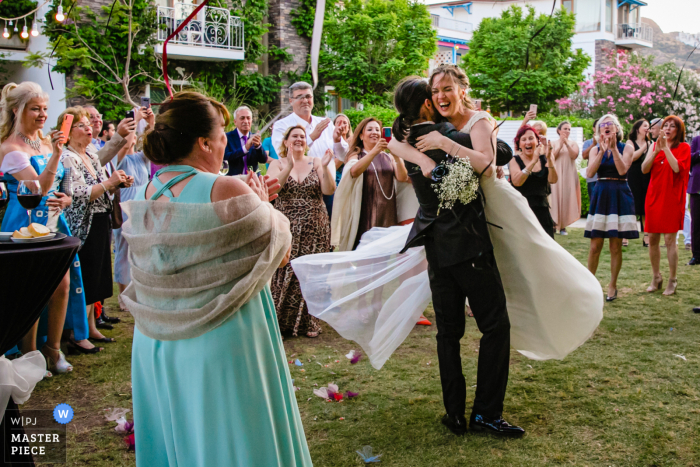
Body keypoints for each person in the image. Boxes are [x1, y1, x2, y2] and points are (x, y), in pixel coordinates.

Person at [293, 72, 604, 438]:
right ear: (426, 103)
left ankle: (454, 413)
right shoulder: (446, 137)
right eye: (433, 94)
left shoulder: (406, 137)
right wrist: (473, 129)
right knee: (495, 326)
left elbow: (419, 146)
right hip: (468, 244)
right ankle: (486, 413)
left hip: (434, 248)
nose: (440, 98)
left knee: (449, 333)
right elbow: (499, 153)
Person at [121, 91, 311, 466]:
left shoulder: (143, 191)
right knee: (232, 438)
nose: (226, 142)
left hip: (155, 337)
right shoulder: (225, 188)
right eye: (222, 134)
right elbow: (280, 251)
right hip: (219, 332)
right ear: (204, 142)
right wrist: (264, 205)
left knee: (180, 434)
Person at [0, 82, 80, 374]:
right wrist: (58, 154)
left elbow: (59, 183)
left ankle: (54, 349)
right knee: (32, 288)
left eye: (45, 108)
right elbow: (38, 186)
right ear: (17, 110)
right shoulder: (10, 147)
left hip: (53, 220)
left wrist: (67, 197)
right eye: (36, 108)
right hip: (25, 221)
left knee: (62, 284)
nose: (43, 114)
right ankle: (29, 354)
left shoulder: (44, 142)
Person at [60, 107, 134, 346]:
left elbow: (102, 184)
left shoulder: (91, 154)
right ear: (68, 133)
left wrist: (117, 183)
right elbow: (78, 194)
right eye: (81, 125)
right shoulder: (67, 157)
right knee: (87, 277)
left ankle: (91, 326)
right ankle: (77, 333)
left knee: (98, 275)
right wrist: (109, 183)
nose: (89, 128)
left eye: (88, 124)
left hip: (101, 218)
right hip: (84, 222)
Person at [266, 125, 335, 338]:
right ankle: (280, 321)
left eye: (302, 136)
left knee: (310, 272)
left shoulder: (315, 161)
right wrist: (290, 164)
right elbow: (274, 189)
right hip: (285, 223)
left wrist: (324, 168)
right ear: (286, 141)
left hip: (315, 223)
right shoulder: (276, 164)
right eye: (294, 136)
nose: (299, 139)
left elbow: (329, 190)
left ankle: (309, 322)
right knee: (284, 269)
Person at [332, 117, 409, 250]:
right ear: (361, 136)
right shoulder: (356, 155)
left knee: (384, 254)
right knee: (364, 253)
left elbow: (402, 177)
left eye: (377, 130)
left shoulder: (388, 157)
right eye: (369, 129)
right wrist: (374, 151)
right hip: (365, 210)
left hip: (387, 210)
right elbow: (354, 172)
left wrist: (396, 155)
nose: (374, 132)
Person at [271, 81, 348, 214]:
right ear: (291, 101)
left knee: (329, 231)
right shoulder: (281, 125)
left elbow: (343, 156)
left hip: (327, 188)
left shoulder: (326, 124)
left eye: (308, 96)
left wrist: (337, 141)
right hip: (298, 191)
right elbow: (283, 153)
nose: (305, 100)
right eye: (300, 97)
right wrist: (311, 137)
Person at [585, 114, 638, 301]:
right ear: (599, 130)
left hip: (619, 192)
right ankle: (590, 285)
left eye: (610, 124)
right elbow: (590, 172)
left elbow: (623, 170)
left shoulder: (627, 147)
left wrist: (614, 149)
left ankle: (612, 285)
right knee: (594, 246)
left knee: (615, 245)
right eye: (602, 125)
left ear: (617, 129)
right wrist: (601, 151)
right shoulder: (594, 150)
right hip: (601, 193)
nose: (606, 127)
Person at [641, 115, 691, 296]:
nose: (668, 128)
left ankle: (672, 279)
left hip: (672, 198)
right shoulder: (654, 146)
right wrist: (656, 150)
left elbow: (677, 168)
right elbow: (644, 169)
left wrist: (666, 149)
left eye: (672, 126)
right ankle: (656, 277)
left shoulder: (684, 147)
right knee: (652, 239)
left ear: (679, 131)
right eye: (666, 125)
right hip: (654, 196)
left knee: (670, 241)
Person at [113, 107, 154, 311]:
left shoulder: (140, 158)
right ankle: (123, 296)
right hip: (124, 206)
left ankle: (139, 291)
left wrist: (150, 123)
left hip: (142, 206)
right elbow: (125, 143)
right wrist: (134, 119)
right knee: (123, 250)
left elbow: (152, 145)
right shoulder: (118, 159)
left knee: (141, 251)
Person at [509, 125, 558, 237]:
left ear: (537, 141)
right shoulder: (514, 160)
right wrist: (533, 161)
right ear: (519, 144)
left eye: (531, 138)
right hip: (522, 210)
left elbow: (553, 180)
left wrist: (550, 159)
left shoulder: (546, 158)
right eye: (524, 139)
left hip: (542, 210)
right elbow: (517, 182)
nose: (528, 142)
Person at [550, 121, 581, 235]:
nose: (567, 131)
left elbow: (574, 155)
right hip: (556, 174)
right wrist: (560, 145)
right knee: (554, 198)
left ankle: (563, 226)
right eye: (565, 129)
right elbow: (553, 156)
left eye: (569, 129)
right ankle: (553, 224)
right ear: (559, 130)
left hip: (568, 174)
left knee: (566, 198)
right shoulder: (553, 143)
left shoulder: (573, 143)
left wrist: (566, 144)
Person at [625, 119, 651, 247]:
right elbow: (632, 157)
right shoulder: (630, 142)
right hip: (633, 176)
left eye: (648, 126)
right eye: (645, 126)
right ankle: (626, 235)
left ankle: (646, 237)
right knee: (632, 205)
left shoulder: (651, 142)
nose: (647, 128)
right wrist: (644, 147)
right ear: (637, 129)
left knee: (645, 206)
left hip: (646, 177)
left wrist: (649, 145)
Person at [223, 105, 266, 175]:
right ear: (235, 122)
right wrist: (245, 148)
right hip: (234, 180)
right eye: (242, 118)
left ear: (251, 121)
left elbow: (263, 160)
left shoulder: (254, 137)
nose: (246, 121)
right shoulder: (227, 137)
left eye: (248, 118)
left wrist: (258, 147)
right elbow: (225, 157)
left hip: (253, 181)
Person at [687, 134, 700, 265]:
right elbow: (688, 158)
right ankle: (696, 255)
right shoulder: (696, 140)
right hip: (697, 187)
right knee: (696, 222)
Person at [331, 113, 353, 186]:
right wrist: (348, 148)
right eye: (338, 123)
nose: (342, 125)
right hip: (335, 181)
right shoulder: (330, 144)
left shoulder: (353, 143)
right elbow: (334, 166)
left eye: (344, 123)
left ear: (349, 127)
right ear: (333, 127)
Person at [581, 119, 600, 202]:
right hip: (593, 178)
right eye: (598, 126)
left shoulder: (610, 141)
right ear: (594, 129)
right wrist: (594, 144)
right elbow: (584, 156)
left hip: (605, 178)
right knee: (594, 202)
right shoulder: (588, 142)